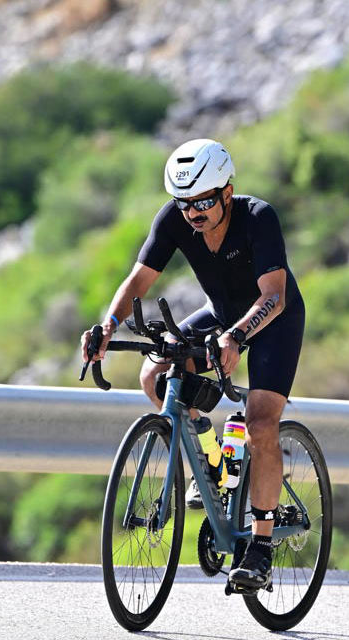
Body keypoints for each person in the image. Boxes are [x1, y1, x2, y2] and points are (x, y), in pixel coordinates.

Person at [80, 138, 306, 591]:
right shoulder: (174, 219)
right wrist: (107, 326)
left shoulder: (258, 217)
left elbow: (275, 296)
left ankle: (260, 547)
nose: (193, 213)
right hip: (220, 315)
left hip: (272, 320)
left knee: (261, 424)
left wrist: (237, 336)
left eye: (203, 201)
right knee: (154, 374)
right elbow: (138, 280)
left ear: (227, 192)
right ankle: (211, 461)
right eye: (184, 203)